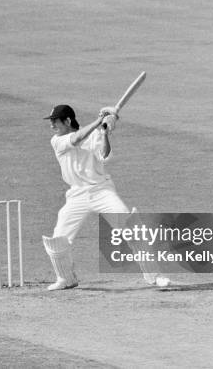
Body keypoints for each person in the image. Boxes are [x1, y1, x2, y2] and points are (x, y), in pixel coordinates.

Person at [42, 104, 171, 290]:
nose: (52, 124)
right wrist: (99, 121)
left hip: (101, 191)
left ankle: (155, 275)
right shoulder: (57, 141)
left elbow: (105, 156)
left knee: (130, 226)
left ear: (67, 121)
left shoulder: (94, 134)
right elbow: (78, 138)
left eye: (55, 121)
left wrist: (104, 133)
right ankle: (65, 279)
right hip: (76, 194)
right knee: (58, 239)